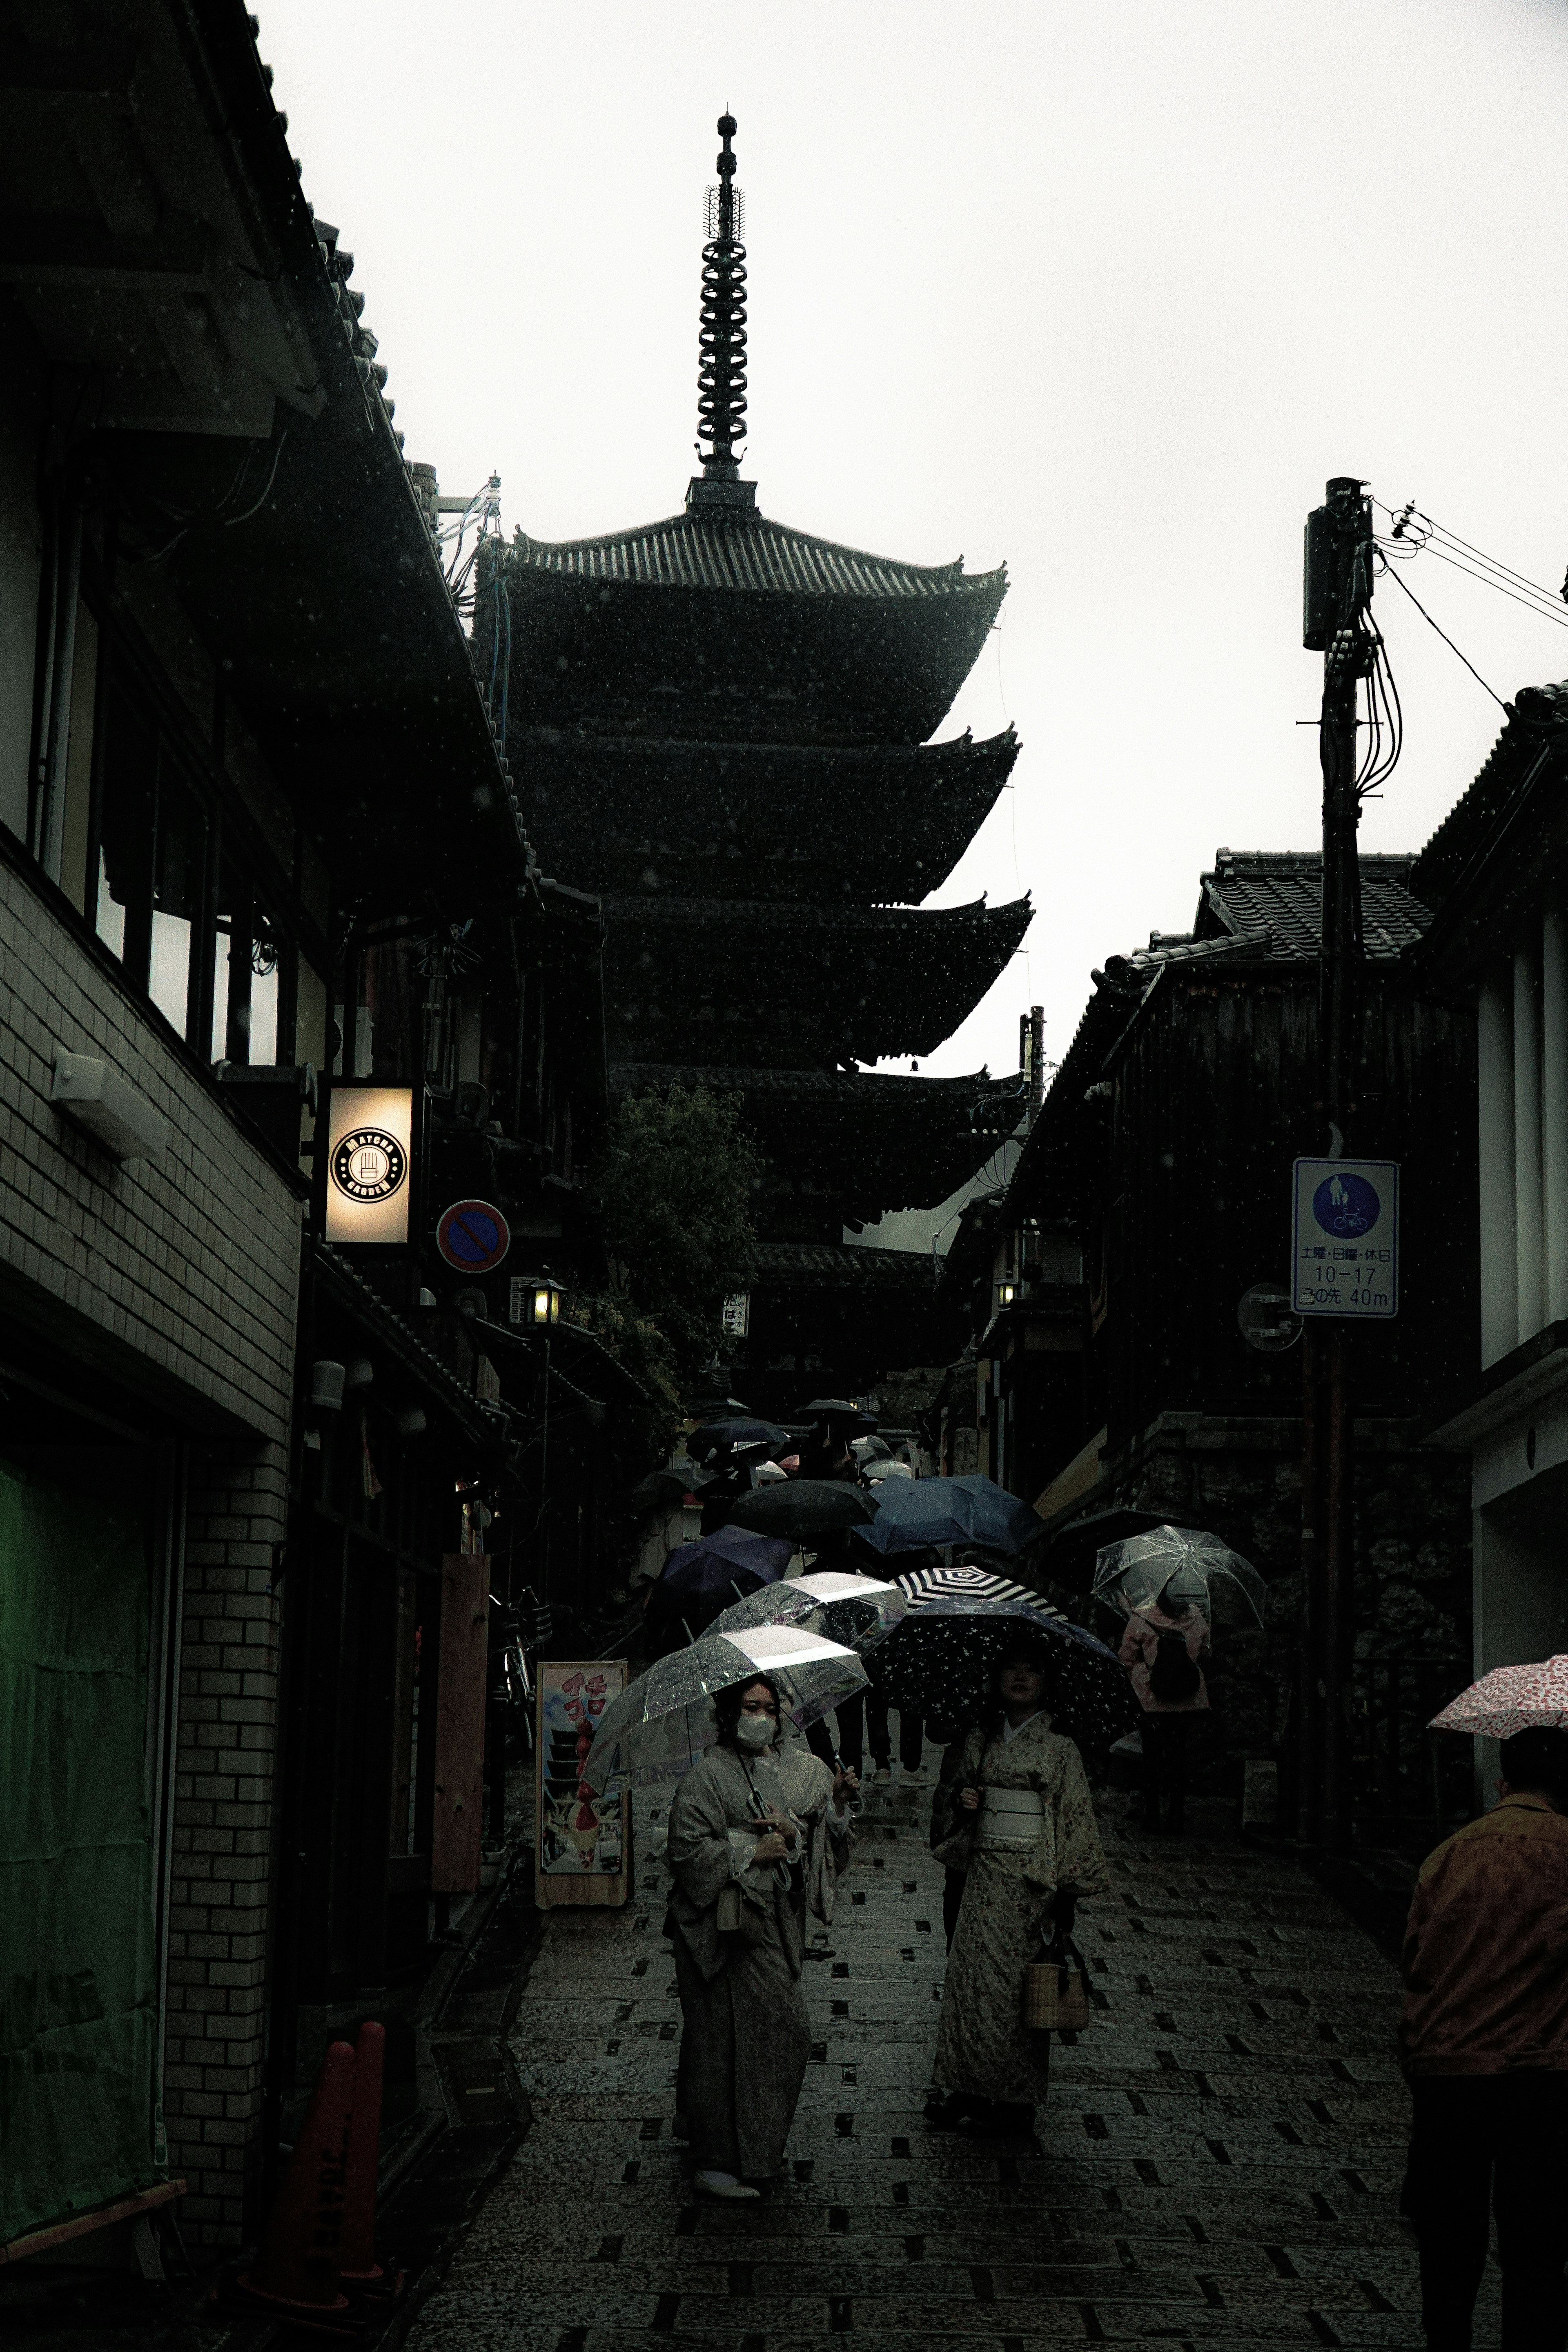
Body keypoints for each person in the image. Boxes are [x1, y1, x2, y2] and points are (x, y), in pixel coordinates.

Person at [1399, 1723, 1568, 2350]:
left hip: (1449, 2068)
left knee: (1449, 2234)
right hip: (1543, 2072)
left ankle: (1448, 2341)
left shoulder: (1451, 1853)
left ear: (1506, 1778)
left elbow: (1418, 1960)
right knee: (1538, 2243)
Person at [664, 1677, 857, 2199]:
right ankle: (718, 2156)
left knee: (778, 2030)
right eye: (751, 1706)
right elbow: (684, 1852)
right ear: (729, 1714)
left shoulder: (805, 1770)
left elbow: (824, 1842)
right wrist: (748, 1854)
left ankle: (754, 2143)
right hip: (722, 1921)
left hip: (775, 1919)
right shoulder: (707, 1777)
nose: (762, 1716)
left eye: (771, 1708)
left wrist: (833, 1809)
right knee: (720, 2038)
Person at [925, 1638, 1109, 2139]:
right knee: (971, 1984)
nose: (1021, 1678)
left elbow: (1072, 1816)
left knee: (1018, 1992)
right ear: (997, 1679)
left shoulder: (1060, 1748)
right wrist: (967, 1803)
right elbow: (951, 1804)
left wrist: (1066, 1891)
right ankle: (964, 2088)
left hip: (1031, 1880)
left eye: (1032, 1671)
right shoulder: (981, 1737)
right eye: (1012, 1669)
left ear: (1048, 1683)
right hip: (982, 1872)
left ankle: (1013, 2102)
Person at [1118, 1581, 1210, 1833]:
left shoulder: (1142, 1618)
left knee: (1152, 1758)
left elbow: (1126, 1658)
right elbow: (1205, 1654)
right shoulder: (1197, 1618)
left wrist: (1141, 1672)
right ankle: (1177, 1814)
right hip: (1187, 1701)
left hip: (1152, 1701)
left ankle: (1152, 1815)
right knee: (1179, 1756)